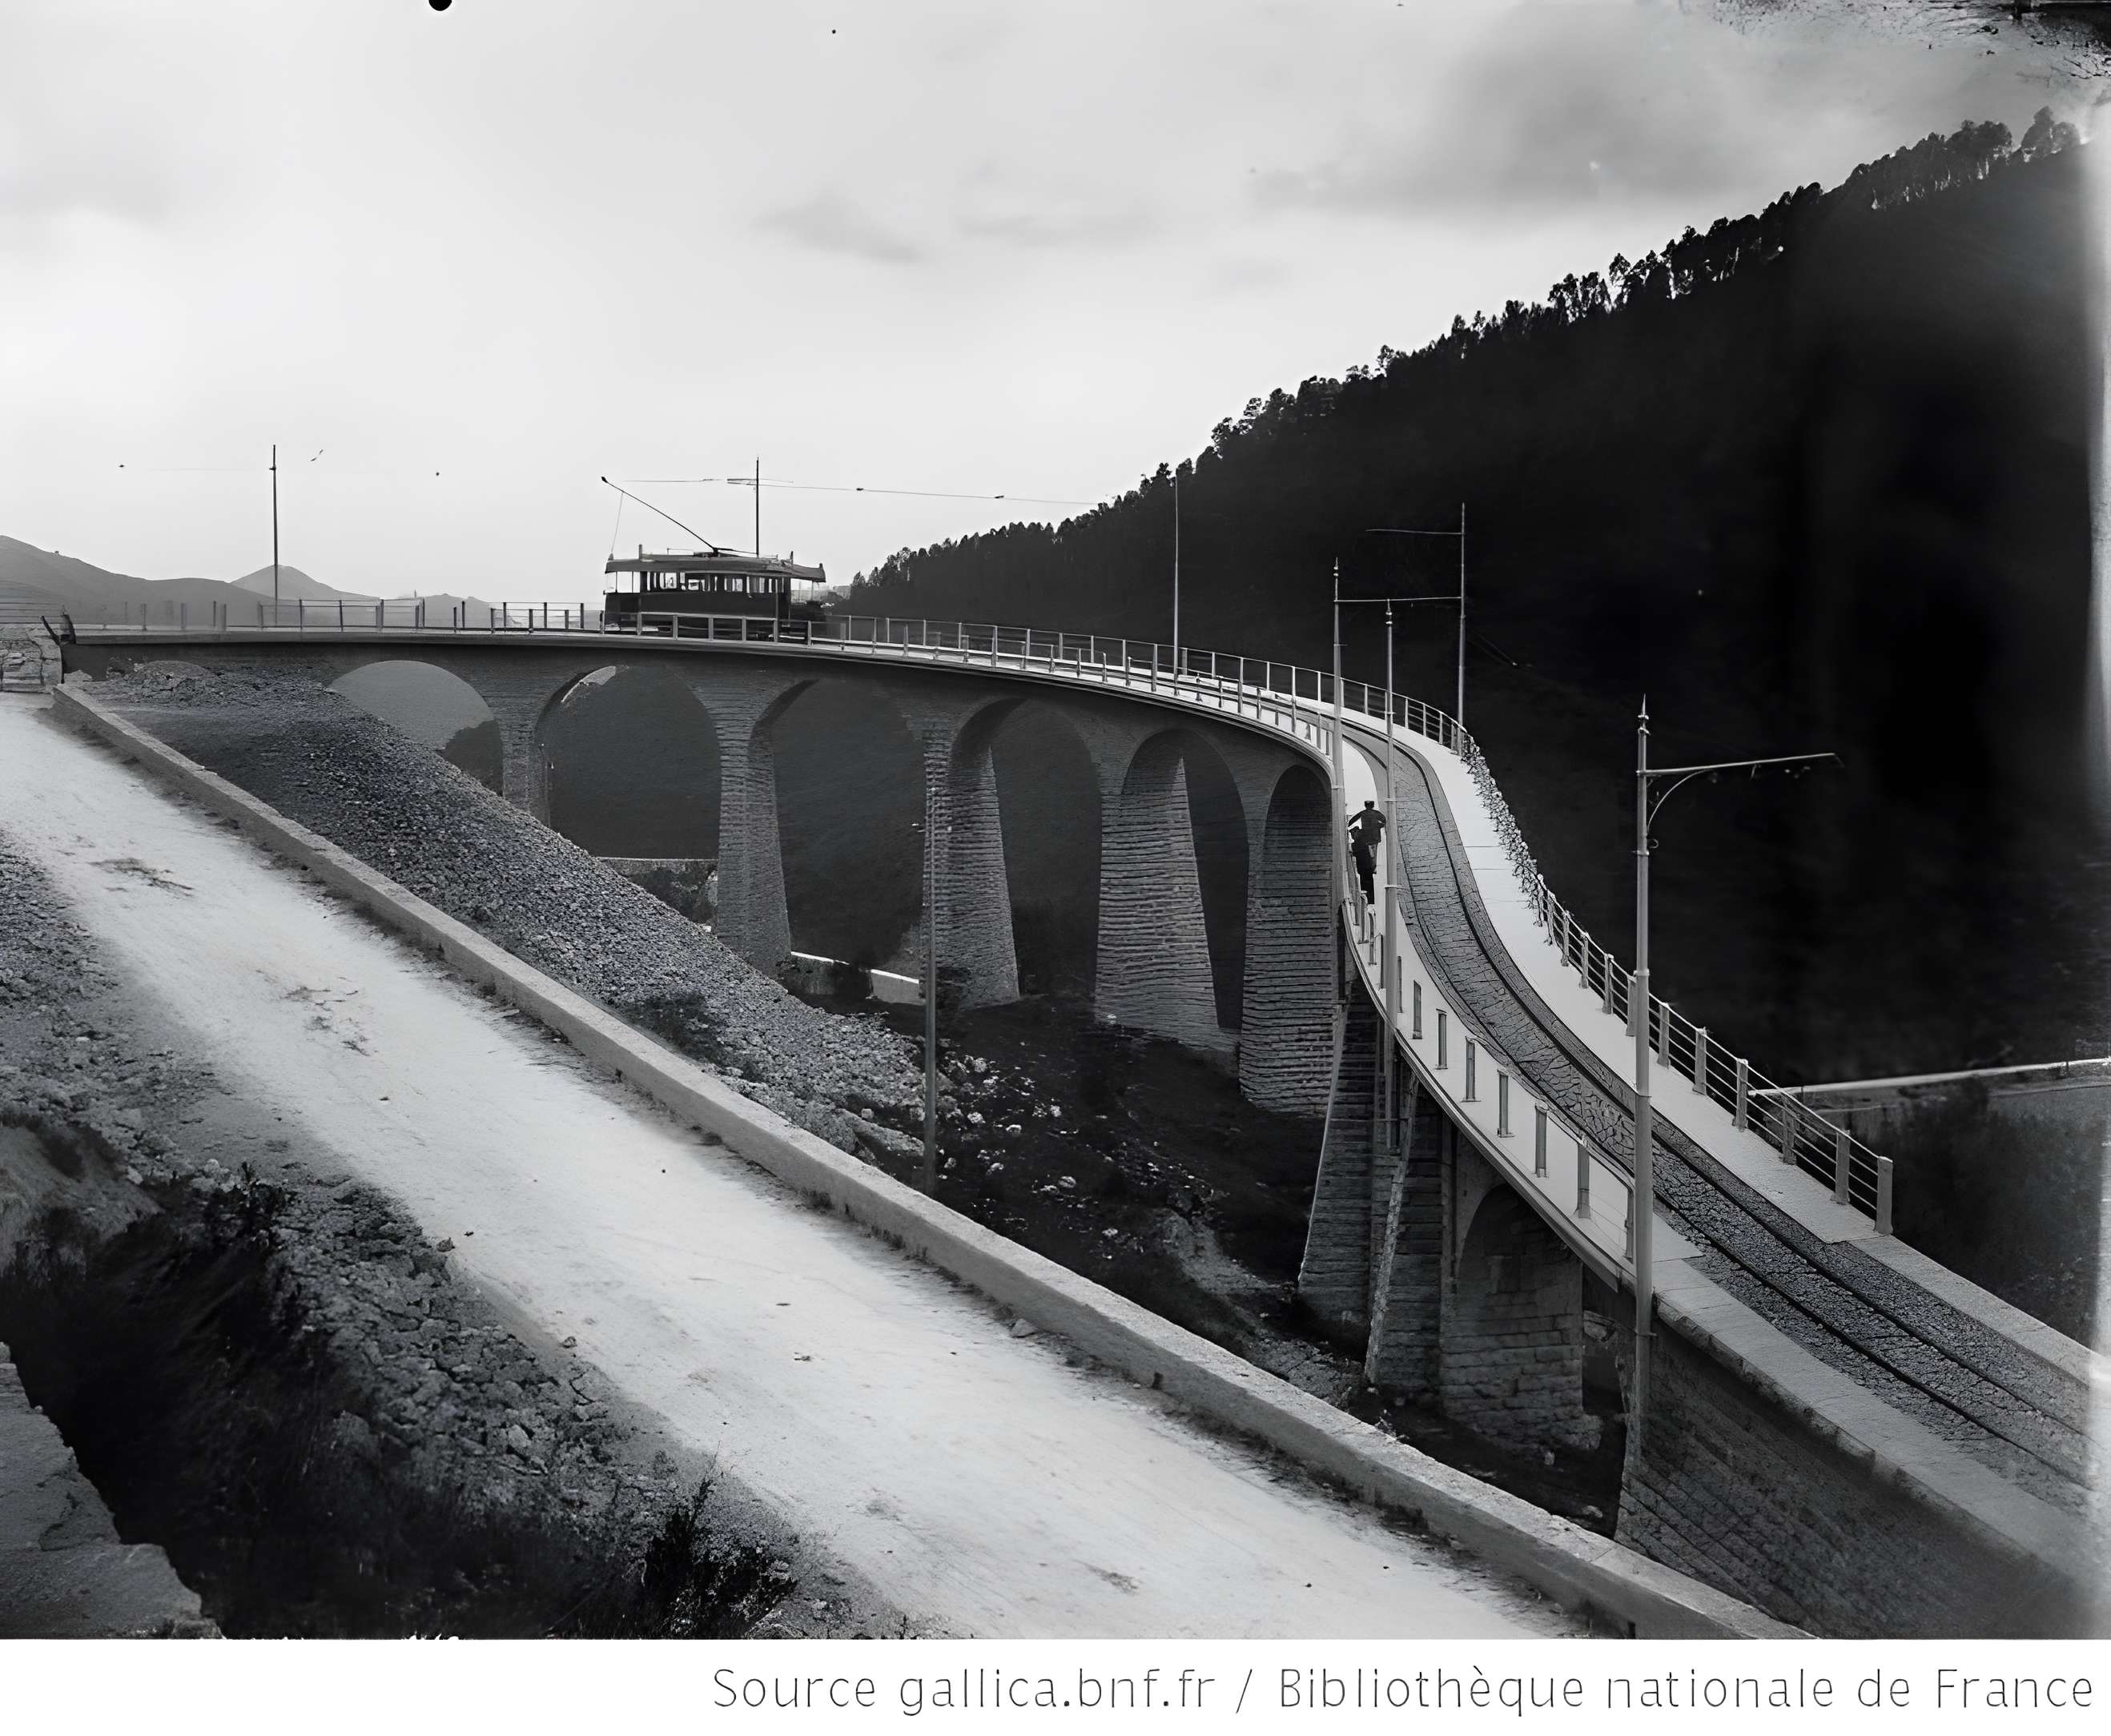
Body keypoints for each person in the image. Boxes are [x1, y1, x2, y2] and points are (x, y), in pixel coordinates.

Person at [1347, 799, 1385, 904]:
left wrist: (1348, 823)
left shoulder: (1363, 813)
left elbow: (1353, 819)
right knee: (1374, 852)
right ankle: (1373, 865)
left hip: (1367, 838)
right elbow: (1384, 821)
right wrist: (1378, 826)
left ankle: (1373, 865)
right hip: (1375, 837)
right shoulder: (1377, 814)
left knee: (1370, 852)